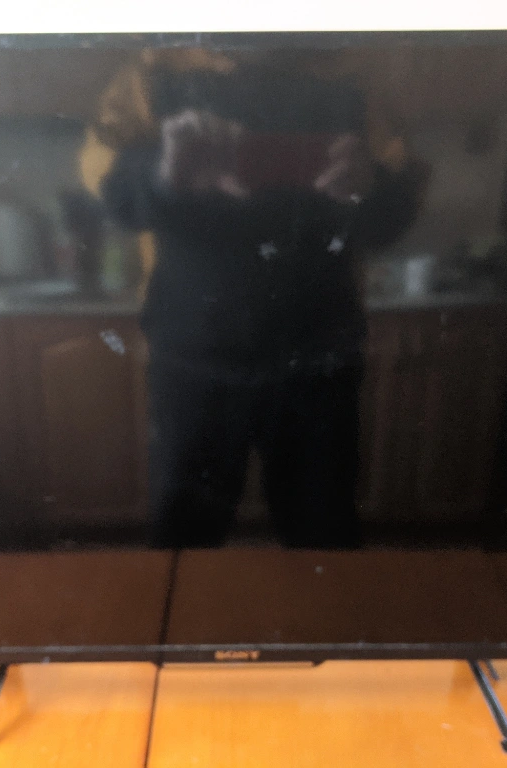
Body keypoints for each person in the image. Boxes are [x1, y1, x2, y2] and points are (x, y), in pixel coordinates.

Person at [92, 52, 430, 548]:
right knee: (184, 535)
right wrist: (161, 171)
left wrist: (371, 187)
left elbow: (395, 211)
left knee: (322, 533)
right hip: (196, 358)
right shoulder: (151, 75)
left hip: (316, 359)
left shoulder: (355, 78)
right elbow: (107, 189)